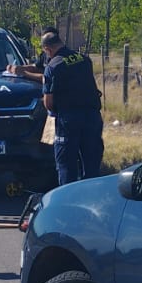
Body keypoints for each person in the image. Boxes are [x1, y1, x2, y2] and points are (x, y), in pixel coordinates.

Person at [39, 30, 103, 185]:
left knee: (66, 165)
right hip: (92, 117)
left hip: (69, 121)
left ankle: (68, 203)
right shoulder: (84, 59)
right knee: (92, 164)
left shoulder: (53, 66)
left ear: (48, 49)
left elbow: (48, 102)